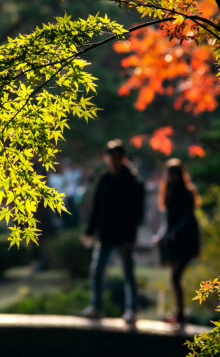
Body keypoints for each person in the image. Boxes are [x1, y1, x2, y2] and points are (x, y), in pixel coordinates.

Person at [81, 139, 145, 325]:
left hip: (124, 234)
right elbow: (97, 208)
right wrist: (90, 231)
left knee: (128, 272)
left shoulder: (132, 180)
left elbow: (136, 212)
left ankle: (132, 309)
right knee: (97, 270)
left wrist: (131, 236)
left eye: (117, 157)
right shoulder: (104, 179)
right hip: (106, 233)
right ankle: (97, 306)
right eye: (111, 157)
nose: (114, 160)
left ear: (123, 158)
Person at [156, 157, 201, 325]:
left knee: (175, 277)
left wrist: (175, 231)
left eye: (174, 174)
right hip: (174, 242)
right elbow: (168, 219)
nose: (171, 177)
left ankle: (181, 314)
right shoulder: (169, 192)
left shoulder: (186, 193)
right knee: (174, 278)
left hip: (186, 241)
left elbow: (188, 217)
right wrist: (163, 234)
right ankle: (179, 313)